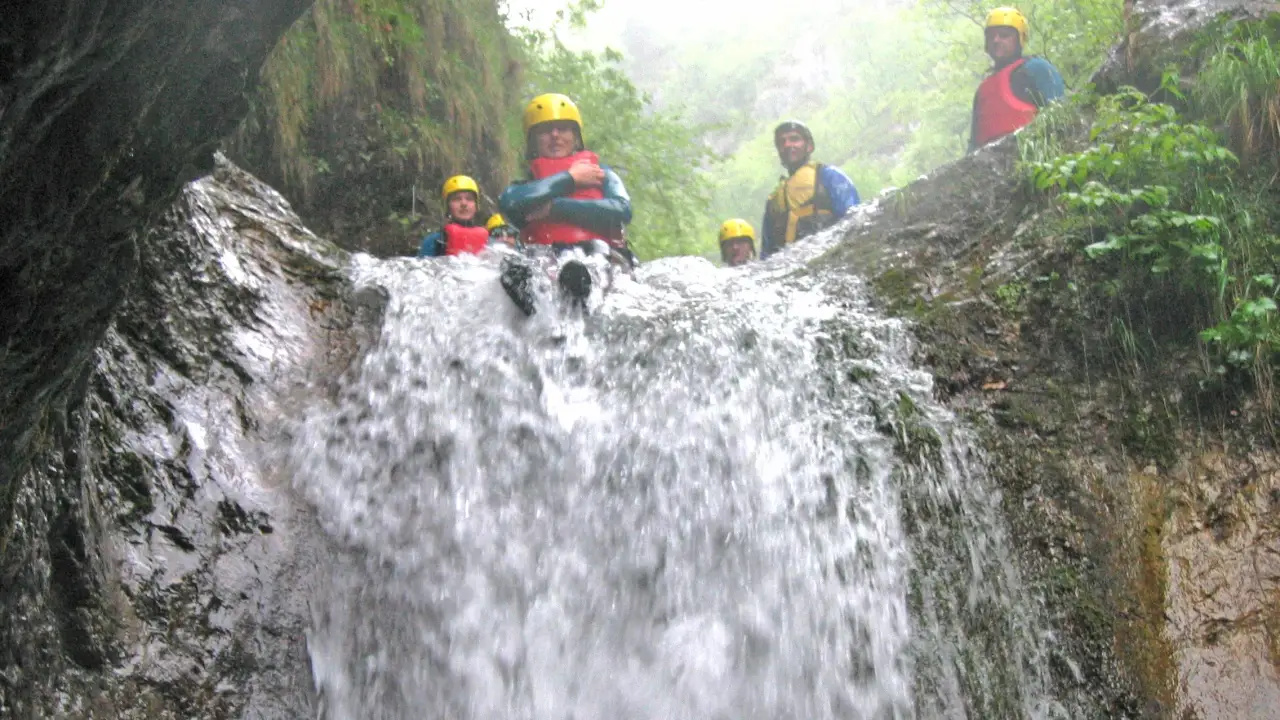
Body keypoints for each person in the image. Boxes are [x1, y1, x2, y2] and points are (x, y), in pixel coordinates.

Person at [498, 93, 633, 313]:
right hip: (545, 258)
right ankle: (537, 316)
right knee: (511, 270)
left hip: (595, 257)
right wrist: (570, 179)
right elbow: (508, 202)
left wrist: (556, 208)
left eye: (563, 128)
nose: (555, 135)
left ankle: (575, 302)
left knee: (575, 272)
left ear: (576, 136)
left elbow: (623, 210)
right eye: (545, 130)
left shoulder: (601, 174)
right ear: (533, 140)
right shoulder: (526, 186)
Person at [968, 7, 1065, 152]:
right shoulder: (982, 91)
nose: (996, 40)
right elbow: (973, 144)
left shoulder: (1037, 68)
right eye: (991, 36)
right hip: (986, 167)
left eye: (1004, 35)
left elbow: (1061, 116)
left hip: (1031, 157)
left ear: (1020, 38)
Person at [760, 120, 860, 259]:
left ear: (809, 146)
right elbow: (766, 254)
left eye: (794, 139)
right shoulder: (774, 201)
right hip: (786, 272)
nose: (787, 145)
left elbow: (854, 222)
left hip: (827, 261)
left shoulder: (830, 177)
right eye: (782, 142)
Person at [417, 175, 489, 257]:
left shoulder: (489, 244)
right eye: (457, 199)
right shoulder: (434, 242)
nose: (464, 204)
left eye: (469, 199)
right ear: (448, 207)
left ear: (476, 206)